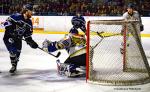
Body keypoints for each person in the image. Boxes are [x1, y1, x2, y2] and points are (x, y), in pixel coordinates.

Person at [3, 4, 38, 73]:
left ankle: (14, 66)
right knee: (13, 51)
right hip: (9, 37)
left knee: (17, 55)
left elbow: (27, 35)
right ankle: (13, 64)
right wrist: (12, 32)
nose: (32, 13)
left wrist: (31, 42)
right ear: (26, 11)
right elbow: (5, 23)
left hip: (18, 39)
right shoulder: (16, 16)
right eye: (31, 11)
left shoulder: (29, 22)